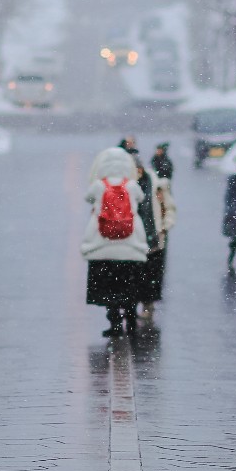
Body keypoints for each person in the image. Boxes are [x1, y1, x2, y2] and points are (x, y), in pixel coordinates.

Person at [83, 144, 154, 337]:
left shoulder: (99, 185)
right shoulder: (131, 185)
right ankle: (130, 320)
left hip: (103, 245)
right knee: (129, 284)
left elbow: (87, 198)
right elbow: (140, 199)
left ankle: (114, 324)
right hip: (129, 245)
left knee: (109, 286)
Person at [121, 138, 170, 323]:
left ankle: (148, 307)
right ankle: (131, 308)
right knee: (133, 274)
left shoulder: (156, 185)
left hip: (153, 238)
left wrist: (165, 227)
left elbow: (168, 207)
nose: (138, 173)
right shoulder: (127, 187)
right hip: (132, 237)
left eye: (139, 169)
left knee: (150, 275)